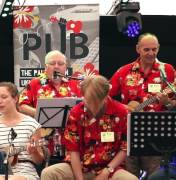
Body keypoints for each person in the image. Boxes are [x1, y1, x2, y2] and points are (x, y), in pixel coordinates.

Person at [41, 75, 138, 180]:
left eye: (94, 102)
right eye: (87, 100)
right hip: (80, 167)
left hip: (110, 168)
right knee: (49, 173)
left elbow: (125, 147)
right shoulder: (76, 112)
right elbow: (73, 150)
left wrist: (107, 171)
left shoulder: (121, 112)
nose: (89, 105)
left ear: (105, 97)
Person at [109, 33, 176, 178]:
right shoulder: (124, 71)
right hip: (128, 134)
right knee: (129, 175)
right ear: (138, 49)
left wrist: (168, 103)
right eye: (147, 49)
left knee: (155, 176)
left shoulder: (167, 71)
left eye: (154, 49)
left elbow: (174, 102)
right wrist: (123, 108)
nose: (151, 53)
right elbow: (105, 97)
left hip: (155, 135)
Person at [18, 50, 81, 157]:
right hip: (43, 142)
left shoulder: (75, 84)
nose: (56, 67)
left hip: (70, 142)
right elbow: (21, 106)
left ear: (65, 67)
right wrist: (42, 114)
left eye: (60, 64)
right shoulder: (35, 83)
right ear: (46, 67)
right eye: (52, 63)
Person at [0, 82, 44, 180]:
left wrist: (34, 152)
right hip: (1, 172)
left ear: (15, 99)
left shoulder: (32, 124)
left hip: (26, 173)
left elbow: (39, 161)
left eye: (4, 97)